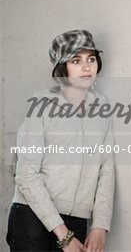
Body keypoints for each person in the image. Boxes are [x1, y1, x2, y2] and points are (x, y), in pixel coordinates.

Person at [6, 30, 115, 252]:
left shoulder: (102, 109)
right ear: (61, 68)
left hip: (77, 220)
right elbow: (26, 174)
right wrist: (63, 235)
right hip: (32, 217)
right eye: (76, 60)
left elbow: (106, 169)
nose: (87, 67)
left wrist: (100, 226)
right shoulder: (42, 106)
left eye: (91, 59)